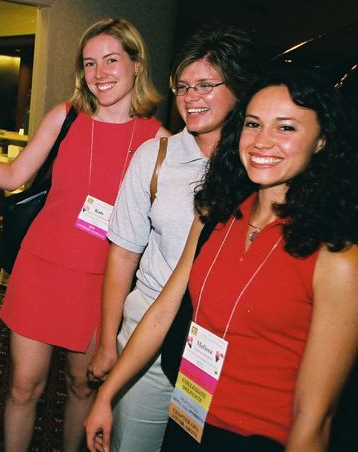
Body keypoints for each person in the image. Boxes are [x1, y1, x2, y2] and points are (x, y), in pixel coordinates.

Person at [0, 18, 169, 451]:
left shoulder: (160, 142)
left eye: (112, 60)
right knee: (23, 387)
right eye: (90, 63)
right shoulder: (66, 117)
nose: (100, 74)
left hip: (103, 284)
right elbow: (15, 175)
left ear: (136, 64)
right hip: (41, 269)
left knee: (83, 386)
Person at [85, 68, 358, 451]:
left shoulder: (337, 258)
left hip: (259, 439)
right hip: (189, 416)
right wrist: (106, 395)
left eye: (286, 128)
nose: (263, 142)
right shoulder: (214, 214)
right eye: (253, 124)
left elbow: (315, 416)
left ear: (321, 141)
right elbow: (164, 312)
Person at [88, 26, 258, 451]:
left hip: (218, 336)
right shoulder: (156, 156)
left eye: (205, 85)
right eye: (182, 87)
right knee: (132, 443)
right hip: (150, 320)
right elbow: (123, 255)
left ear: (239, 89)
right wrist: (109, 343)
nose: (190, 97)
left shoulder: (259, 167)